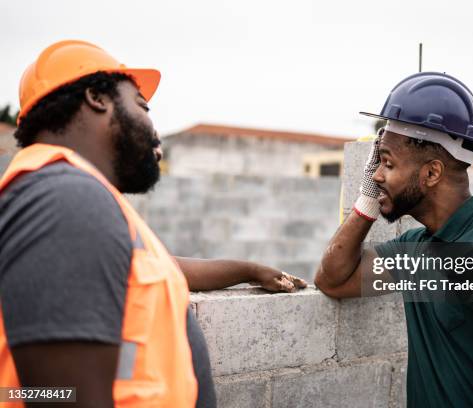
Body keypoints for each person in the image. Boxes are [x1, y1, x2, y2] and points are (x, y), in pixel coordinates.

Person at [0, 40, 306, 408]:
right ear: (97, 97)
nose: (155, 132)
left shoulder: (73, 198)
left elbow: (155, 268)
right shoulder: (65, 198)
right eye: (142, 106)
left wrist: (249, 270)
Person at [315, 72, 473, 407]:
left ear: (431, 173)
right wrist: (368, 197)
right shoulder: (414, 249)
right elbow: (333, 279)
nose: (375, 173)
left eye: (387, 163)